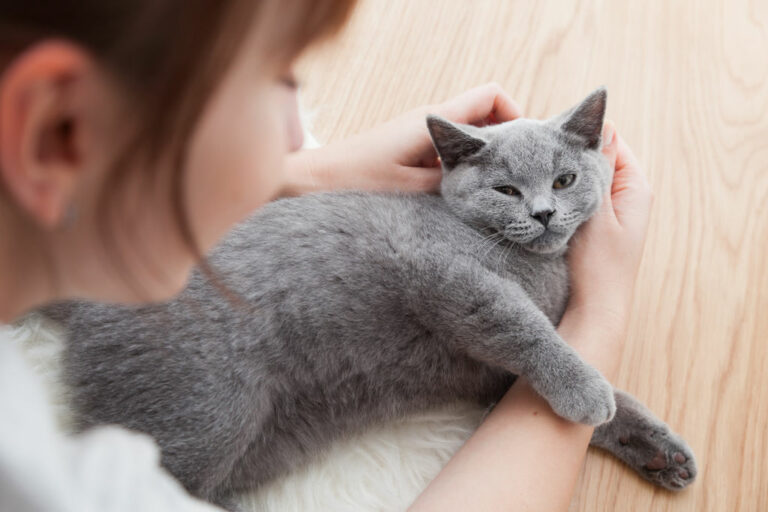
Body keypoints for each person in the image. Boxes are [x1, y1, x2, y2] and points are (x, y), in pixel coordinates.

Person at [0, 1, 652, 511]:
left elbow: (498, 367)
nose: (297, 133)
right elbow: (451, 285)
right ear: (54, 128)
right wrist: (602, 313)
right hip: (212, 350)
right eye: (276, 77)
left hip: (297, 401)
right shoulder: (41, 481)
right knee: (199, 407)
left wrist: (297, 173)